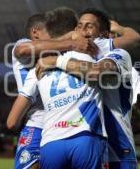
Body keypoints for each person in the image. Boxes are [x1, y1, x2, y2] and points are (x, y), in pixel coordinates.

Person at [36, 7, 140, 169]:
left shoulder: (120, 56)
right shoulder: (72, 57)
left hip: (118, 151)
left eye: (89, 26)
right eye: (79, 26)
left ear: (104, 35)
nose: (82, 30)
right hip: (88, 143)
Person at [7, 12, 95, 169]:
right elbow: (22, 50)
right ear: (35, 32)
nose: (55, 37)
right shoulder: (24, 45)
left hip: (63, 125)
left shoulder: (59, 55)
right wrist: (70, 42)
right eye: (50, 32)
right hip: (37, 123)